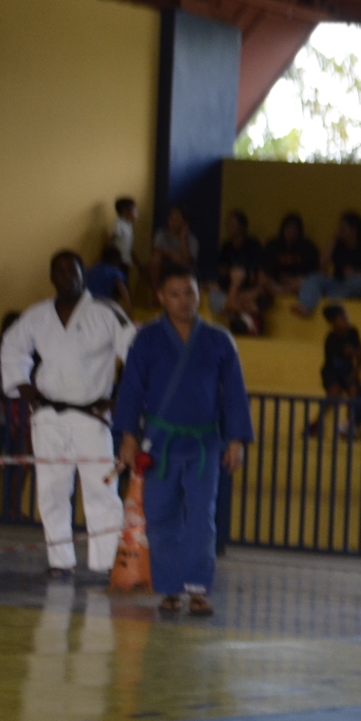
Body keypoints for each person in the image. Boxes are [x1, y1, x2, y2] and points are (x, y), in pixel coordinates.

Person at [110, 264, 252, 617]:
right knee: (160, 516)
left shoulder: (219, 339)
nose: (184, 301)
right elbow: (130, 391)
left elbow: (234, 393)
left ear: (198, 293)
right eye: (175, 294)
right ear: (161, 297)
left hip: (205, 444)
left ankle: (198, 587)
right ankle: (171, 588)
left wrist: (236, 440)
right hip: (159, 444)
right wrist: (128, 437)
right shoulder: (146, 339)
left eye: (190, 292)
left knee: (202, 518)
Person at [0, 250, 136, 579]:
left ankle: (106, 562)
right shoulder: (37, 315)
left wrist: (121, 397)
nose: (66, 276)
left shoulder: (106, 311)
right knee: (51, 489)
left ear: (82, 274)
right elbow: (12, 346)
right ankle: (60, 560)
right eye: (59, 271)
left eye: (72, 269)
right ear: (51, 277)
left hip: (92, 415)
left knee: (101, 489)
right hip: (48, 414)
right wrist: (22, 385)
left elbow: (135, 354)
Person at [296, 211, 361, 315]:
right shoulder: (338, 246)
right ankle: (306, 306)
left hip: (355, 286)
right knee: (314, 278)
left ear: (353, 230)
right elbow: (321, 264)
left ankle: (333, 301)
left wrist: (356, 273)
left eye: (343, 227)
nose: (340, 230)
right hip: (337, 284)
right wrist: (333, 241)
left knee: (358, 281)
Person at [306, 303, 361, 437]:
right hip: (331, 371)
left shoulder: (353, 332)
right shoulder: (331, 339)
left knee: (353, 391)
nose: (346, 319)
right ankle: (316, 423)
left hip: (348, 370)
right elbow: (356, 352)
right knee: (334, 393)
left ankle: (349, 424)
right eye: (341, 318)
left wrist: (356, 371)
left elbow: (359, 356)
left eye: (345, 316)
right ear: (333, 322)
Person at [262, 212, 321, 306]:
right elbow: (266, 268)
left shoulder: (307, 247)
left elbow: (312, 271)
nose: (291, 231)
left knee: (306, 282)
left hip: (296, 283)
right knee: (262, 279)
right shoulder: (272, 245)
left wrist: (293, 279)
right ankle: (282, 292)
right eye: (288, 228)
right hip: (276, 283)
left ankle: (285, 293)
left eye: (294, 229)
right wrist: (280, 278)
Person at [150, 206, 198, 284]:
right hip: (165, 264)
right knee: (155, 260)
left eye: (177, 220)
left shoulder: (192, 239)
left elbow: (188, 261)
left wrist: (183, 238)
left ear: (184, 222)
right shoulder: (161, 234)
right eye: (171, 219)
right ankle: (156, 293)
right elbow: (156, 251)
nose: (173, 222)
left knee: (186, 265)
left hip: (183, 267)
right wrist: (170, 254)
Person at [107, 197, 137, 272]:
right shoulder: (118, 224)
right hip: (117, 261)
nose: (136, 212)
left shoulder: (129, 225)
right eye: (134, 210)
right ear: (124, 211)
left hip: (126, 260)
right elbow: (110, 240)